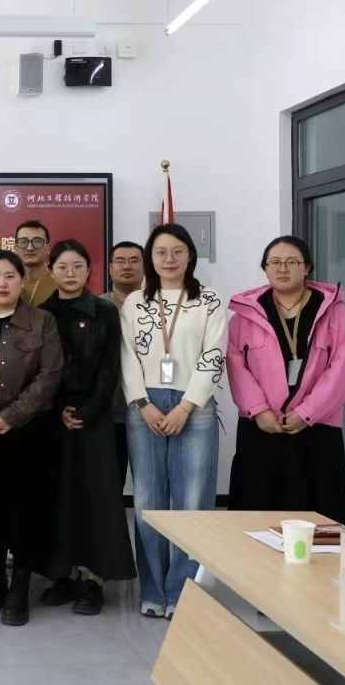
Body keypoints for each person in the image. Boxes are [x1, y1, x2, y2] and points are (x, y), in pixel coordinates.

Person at [120, 223, 227, 620]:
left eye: (177, 251)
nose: (169, 259)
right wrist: (142, 403)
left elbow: (214, 355)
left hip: (194, 405)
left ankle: (183, 591)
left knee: (193, 500)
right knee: (148, 500)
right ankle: (153, 591)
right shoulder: (135, 302)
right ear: (151, 257)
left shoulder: (209, 300)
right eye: (161, 252)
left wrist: (186, 406)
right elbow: (127, 357)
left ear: (190, 256)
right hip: (144, 404)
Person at [0, 249, 63, 627]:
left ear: (22, 281)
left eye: (9, 276)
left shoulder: (42, 321)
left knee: (25, 509)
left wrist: (10, 416)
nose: (2, 283)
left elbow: (49, 376)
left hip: (28, 432)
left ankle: (20, 584)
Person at [227, 236, 345, 526]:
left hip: (316, 427)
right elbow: (236, 366)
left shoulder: (334, 314)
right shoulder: (245, 315)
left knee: (320, 514)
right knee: (257, 510)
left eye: (291, 262)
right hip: (262, 426)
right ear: (265, 268)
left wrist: (306, 412)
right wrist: (259, 410)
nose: (282, 268)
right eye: (274, 262)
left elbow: (341, 370)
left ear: (307, 267)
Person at [40, 240, 136, 616]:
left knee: (98, 497)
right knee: (59, 496)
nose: (70, 273)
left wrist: (89, 410)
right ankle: (63, 573)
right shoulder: (41, 313)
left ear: (88, 270)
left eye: (77, 266)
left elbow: (112, 369)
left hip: (95, 417)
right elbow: (40, 370)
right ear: (51, 270)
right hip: (54, 419)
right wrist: (58, 410)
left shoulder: (105, 311)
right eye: (62, 267)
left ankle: (95, 579)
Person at [103, 241, 145, 482]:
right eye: (120, 261)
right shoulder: (96, 307)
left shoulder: (158, 305)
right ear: (110, 268)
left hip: (150, 410)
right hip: (108, 413)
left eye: (134, 260)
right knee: (109, 483)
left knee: (150, 485)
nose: (127, 266)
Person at [15, 220, 55, 307]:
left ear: (48, 248)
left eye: (37, 241)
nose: (30, 248)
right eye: (23, 242)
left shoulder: (59, 282)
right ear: (16, 248)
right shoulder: (7, 282)